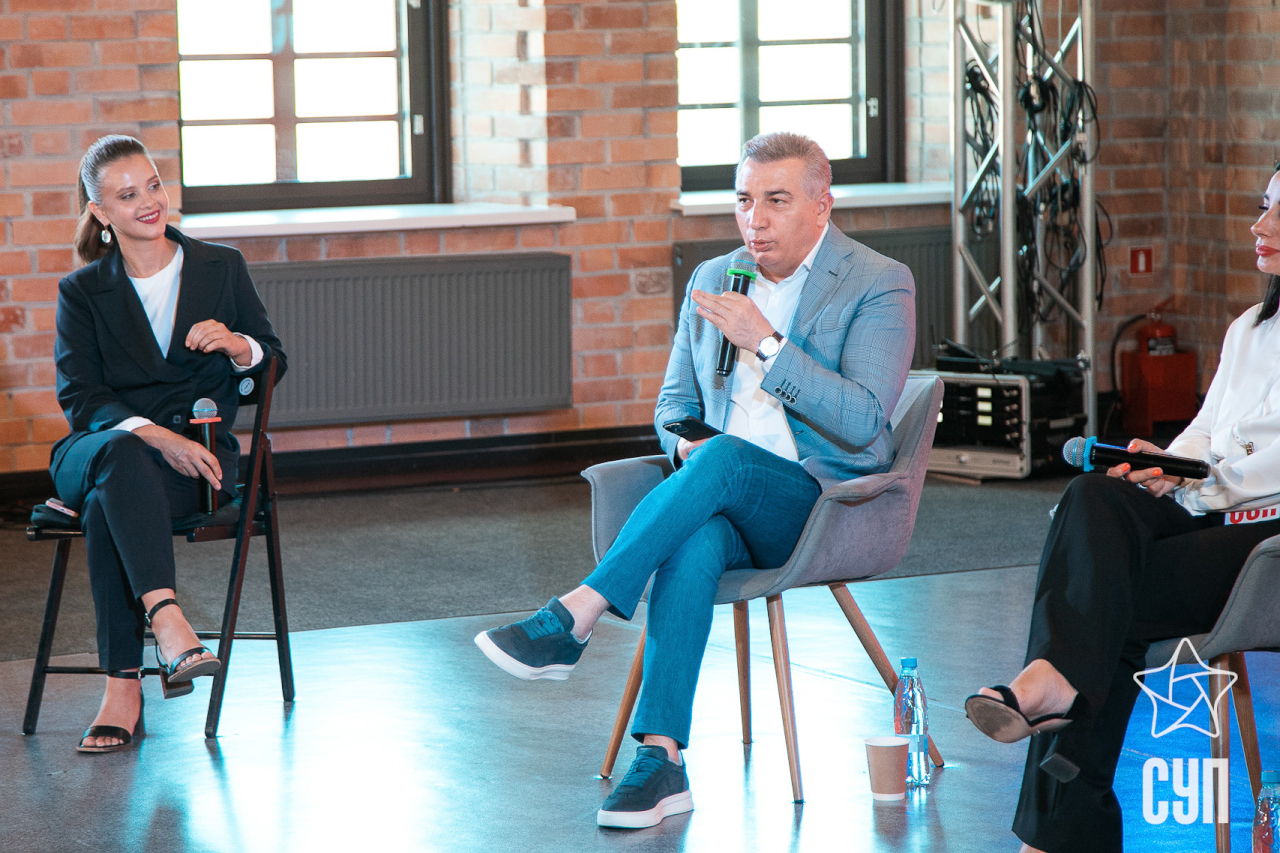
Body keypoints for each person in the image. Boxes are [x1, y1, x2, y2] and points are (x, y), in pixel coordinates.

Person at [474, 132, 916, 828]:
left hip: (819, 505)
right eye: (744, 200)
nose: (754, 220)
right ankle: (661, 760)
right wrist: (686, 445)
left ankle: (578, 612)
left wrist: (765, 342)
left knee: (726, 460)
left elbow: (863, 420)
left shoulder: (878, 281)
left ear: (822, 206)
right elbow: (674, 406)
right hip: (720, 497)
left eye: (776, 201)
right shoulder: (715, 276)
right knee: (695, 538)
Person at [965, 166, 1280, 852]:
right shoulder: (1250, 329)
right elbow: (1205, 430)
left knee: (1100, 608)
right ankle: (1054, 686)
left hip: (1266, 541)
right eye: (1264, 206)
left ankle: (1054, 825)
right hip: (1207, 504)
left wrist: (1202, 479)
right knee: (1091, 495)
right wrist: (1166, 461)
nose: (1261, 225)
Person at [52, 135, 286, 753]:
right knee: (121, 454)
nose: (149, 202)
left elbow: (271, 366)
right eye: (128, 195)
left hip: (194, 465)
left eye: (153, 185)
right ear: (101, 212)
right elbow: (81, 400)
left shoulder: (220, 267)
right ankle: (170, 624)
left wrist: (238, 345)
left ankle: (122, 689)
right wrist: (156, 436)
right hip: (98, 451)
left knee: (106, 506)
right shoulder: (82, 291)